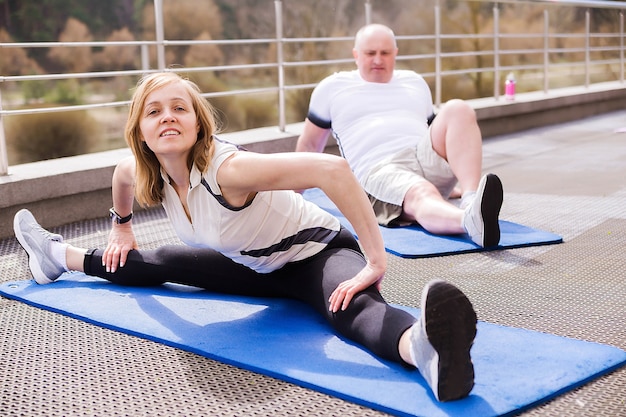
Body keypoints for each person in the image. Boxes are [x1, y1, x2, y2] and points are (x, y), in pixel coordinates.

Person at [13, 71, 477, 402]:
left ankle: (426, 351)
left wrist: (376, 261)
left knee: (349, 307)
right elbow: (120, 173)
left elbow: (332, 169)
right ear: (140, 131)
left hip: (314, 253)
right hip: (255, 265)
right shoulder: (143, 168)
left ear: (198, 124)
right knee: (166, 259)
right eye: (154, 111)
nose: (168, 117)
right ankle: (56, 256)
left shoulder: (229, 170)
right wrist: (121, 225)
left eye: (180, 108)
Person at [296, 23, 504, 248]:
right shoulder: (331, 88)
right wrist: (293, 195)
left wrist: (456, 184)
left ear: (395, 53)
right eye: (370, 53)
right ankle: (469, 221)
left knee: (458, 109)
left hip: (421, 158)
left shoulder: (414, 81)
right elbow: (309, 143)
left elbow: (440, 135)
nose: (378, 60)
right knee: (421, 191)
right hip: (378, 170)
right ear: (356, 55)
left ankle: (470, 199)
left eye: (385, 53)